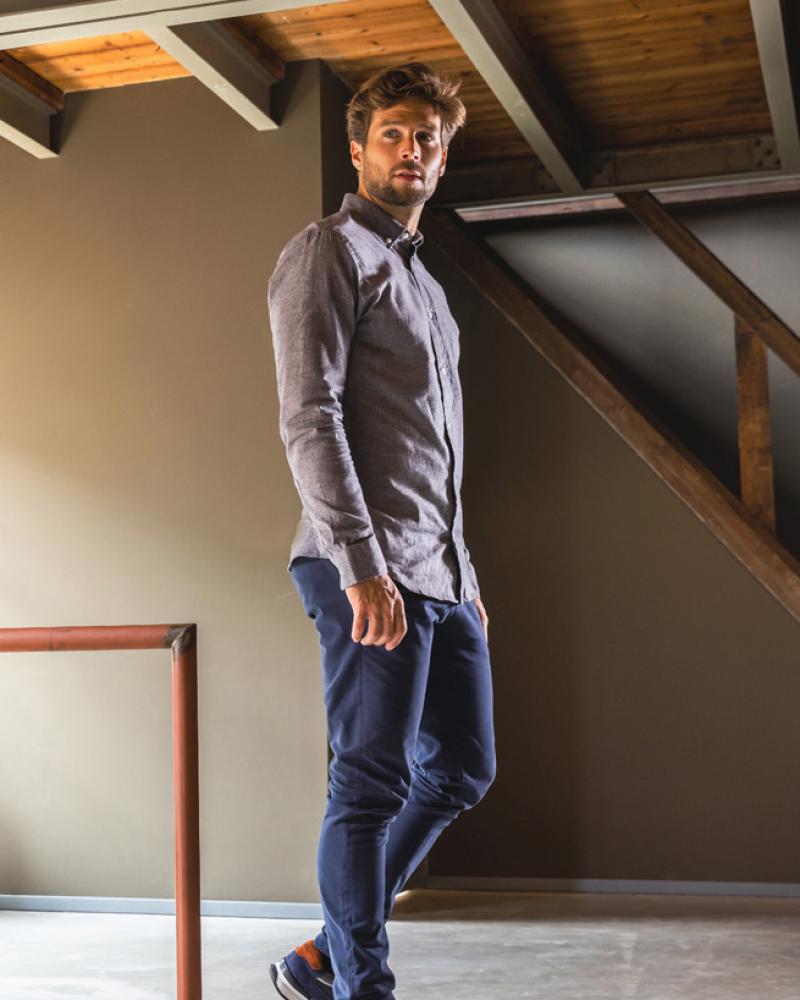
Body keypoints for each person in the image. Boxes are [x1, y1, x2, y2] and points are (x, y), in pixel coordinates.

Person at [267, 61, 496, 1000]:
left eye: (426, 138)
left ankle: (323, 953)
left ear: (442, 160)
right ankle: (362, 986)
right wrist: (362, 566)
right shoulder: (327, 253)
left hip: (439, 572)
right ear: (359, 150)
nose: (411, 149)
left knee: (462, 771)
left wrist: (464, 576)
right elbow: (309, 416)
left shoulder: (425, 285)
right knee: (368, 786)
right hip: (360, 565)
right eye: (393, 134)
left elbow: (435, 449)